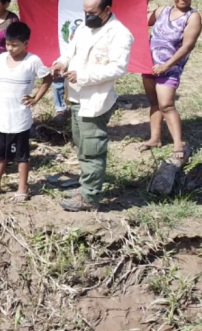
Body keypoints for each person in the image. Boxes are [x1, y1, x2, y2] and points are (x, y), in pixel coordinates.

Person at [51, 0, 134, 212]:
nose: (88, 16)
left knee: (92, 148)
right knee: (80, 143)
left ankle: (90, 197)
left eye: (93, 12)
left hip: (97, 99)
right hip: (78, 96)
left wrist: (84, 76)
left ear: (107, 10)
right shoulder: (84, 26)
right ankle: (86, 185)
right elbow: (71, 51)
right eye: (85, 12)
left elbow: (118, 68)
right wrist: (61, 62)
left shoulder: (119, 34)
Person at [0, 22, 49, 203]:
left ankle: (22, 188)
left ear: (26, 43)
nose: (10, 48)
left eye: (15, 45)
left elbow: (47, 78)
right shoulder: (1, 58)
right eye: (8, 44)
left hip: (19, 118)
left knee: (21, 156)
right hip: (0, 117)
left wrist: (36, 98)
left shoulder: (32, 61)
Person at [138, 0, 202, 162]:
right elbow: (138, 21)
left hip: (170, 68)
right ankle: (155, 138)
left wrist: (166, 66)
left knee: (166, 105)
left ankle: (178, 144)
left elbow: (187, 46)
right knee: (154, 102)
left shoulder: (192, 17)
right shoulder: (162, 11)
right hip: (149, 65)